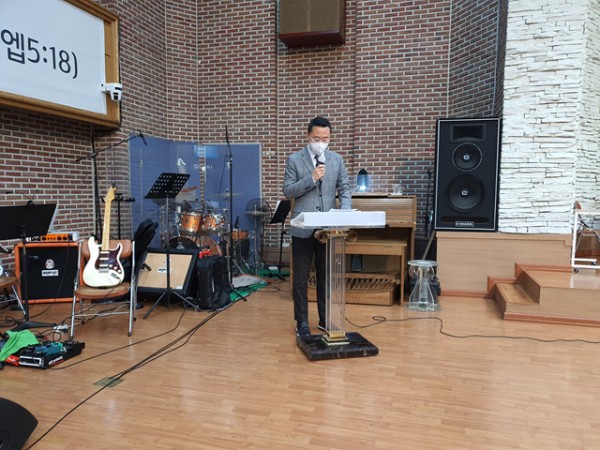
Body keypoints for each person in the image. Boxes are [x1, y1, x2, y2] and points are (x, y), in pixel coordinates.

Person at [283, 116, 352, 336]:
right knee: (300, 279)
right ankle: (302, 322)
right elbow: (288, 191)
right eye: (316, 138)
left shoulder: (336, 160)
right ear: (308, 136)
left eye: (325, 138)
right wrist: (311, 178)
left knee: (326, 278)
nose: (321, 142)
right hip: (302, 228)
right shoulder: (294, 160)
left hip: (328, 229)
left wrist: (345, 213)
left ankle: (325, 320)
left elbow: (345, 189)